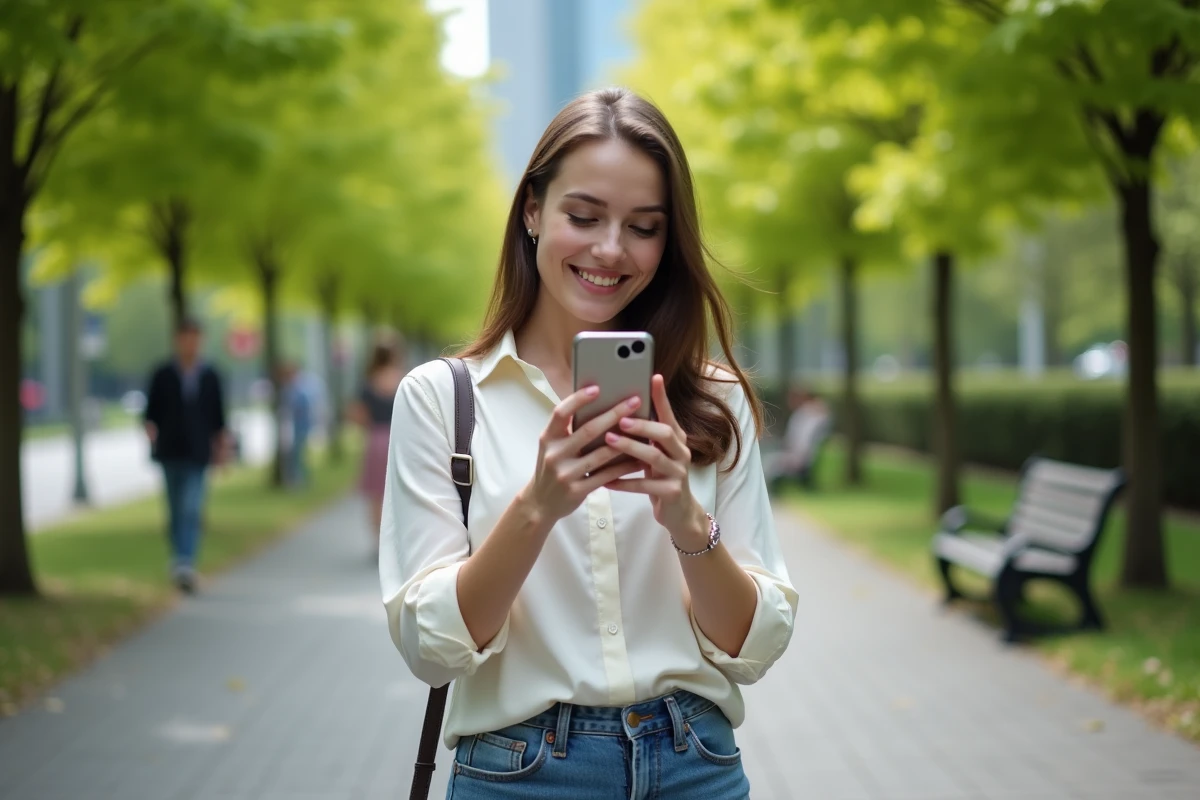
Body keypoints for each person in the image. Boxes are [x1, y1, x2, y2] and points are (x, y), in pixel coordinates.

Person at [380, 88, 797, 799]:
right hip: (521, 773)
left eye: (644, 226)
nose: (610, 249)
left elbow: (750, 645)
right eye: (584, 215)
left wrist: (687, 525)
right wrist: (536, 508)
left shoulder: (710, 398)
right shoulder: (443, 399)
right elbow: (432, 649)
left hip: (695, 762)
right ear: (534, 211)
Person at [143, 317, 229, 594]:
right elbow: (150, 414)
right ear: (178, 340)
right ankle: (179, 557)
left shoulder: (210, 375)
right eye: (186, 337)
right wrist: (151, 437)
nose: (190, 343)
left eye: (195, 337)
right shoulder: (163, 373)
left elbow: (219, 418)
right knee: (174, 508)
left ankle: (185, 562)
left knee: (191, 507)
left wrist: (221, 450)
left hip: (198, 451)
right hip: (169, 451)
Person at [348, 337, 404, 550]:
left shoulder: (368, 382)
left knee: (376, 492)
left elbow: (357, 414)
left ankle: (379, 539)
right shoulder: (402, 379)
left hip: (376, 439)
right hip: (398, 437)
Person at [764, 386, 832, 493]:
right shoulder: (803, 415)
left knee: (768, 461)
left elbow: (799, 443)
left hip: (799, 458)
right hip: (797, 454)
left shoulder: (807, 416)